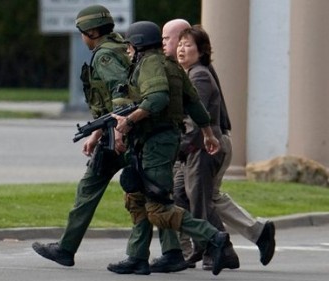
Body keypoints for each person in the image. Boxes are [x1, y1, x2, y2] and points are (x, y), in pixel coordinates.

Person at [31, 5, 186, 273]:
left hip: (123, 133)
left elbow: (121, 95)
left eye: (82, 32)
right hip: (138, 131)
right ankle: (172, 252)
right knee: (153, 193)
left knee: (89, 188)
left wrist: (113, 133)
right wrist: (96, 131)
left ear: (91, 31)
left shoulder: (104, 57)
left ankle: (66, 248)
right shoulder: (121, 47)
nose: (82, 37)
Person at [106, 20, 236, 277]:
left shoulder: (150, 66)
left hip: (155, 142)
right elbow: (195, 104)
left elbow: (157, 99)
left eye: (130, 46)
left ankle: (214, 238)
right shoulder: (172, 67)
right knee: (138, 199)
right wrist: (209, 134)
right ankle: (138, 257)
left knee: (159, 207)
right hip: (160, 142)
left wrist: (128, 123)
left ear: (138, 45)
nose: (128, 51)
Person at [162, 19, 276, 269]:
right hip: (199, 146)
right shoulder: (189, 73)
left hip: (203, 146)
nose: (179, 48)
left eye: (186, 44)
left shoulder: (199, 75)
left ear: (201, 51)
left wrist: (177, 148)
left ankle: (218, 248)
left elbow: (196, 117)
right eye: (178, 44)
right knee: (189, 195)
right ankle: (239, 239)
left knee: (201, 199)